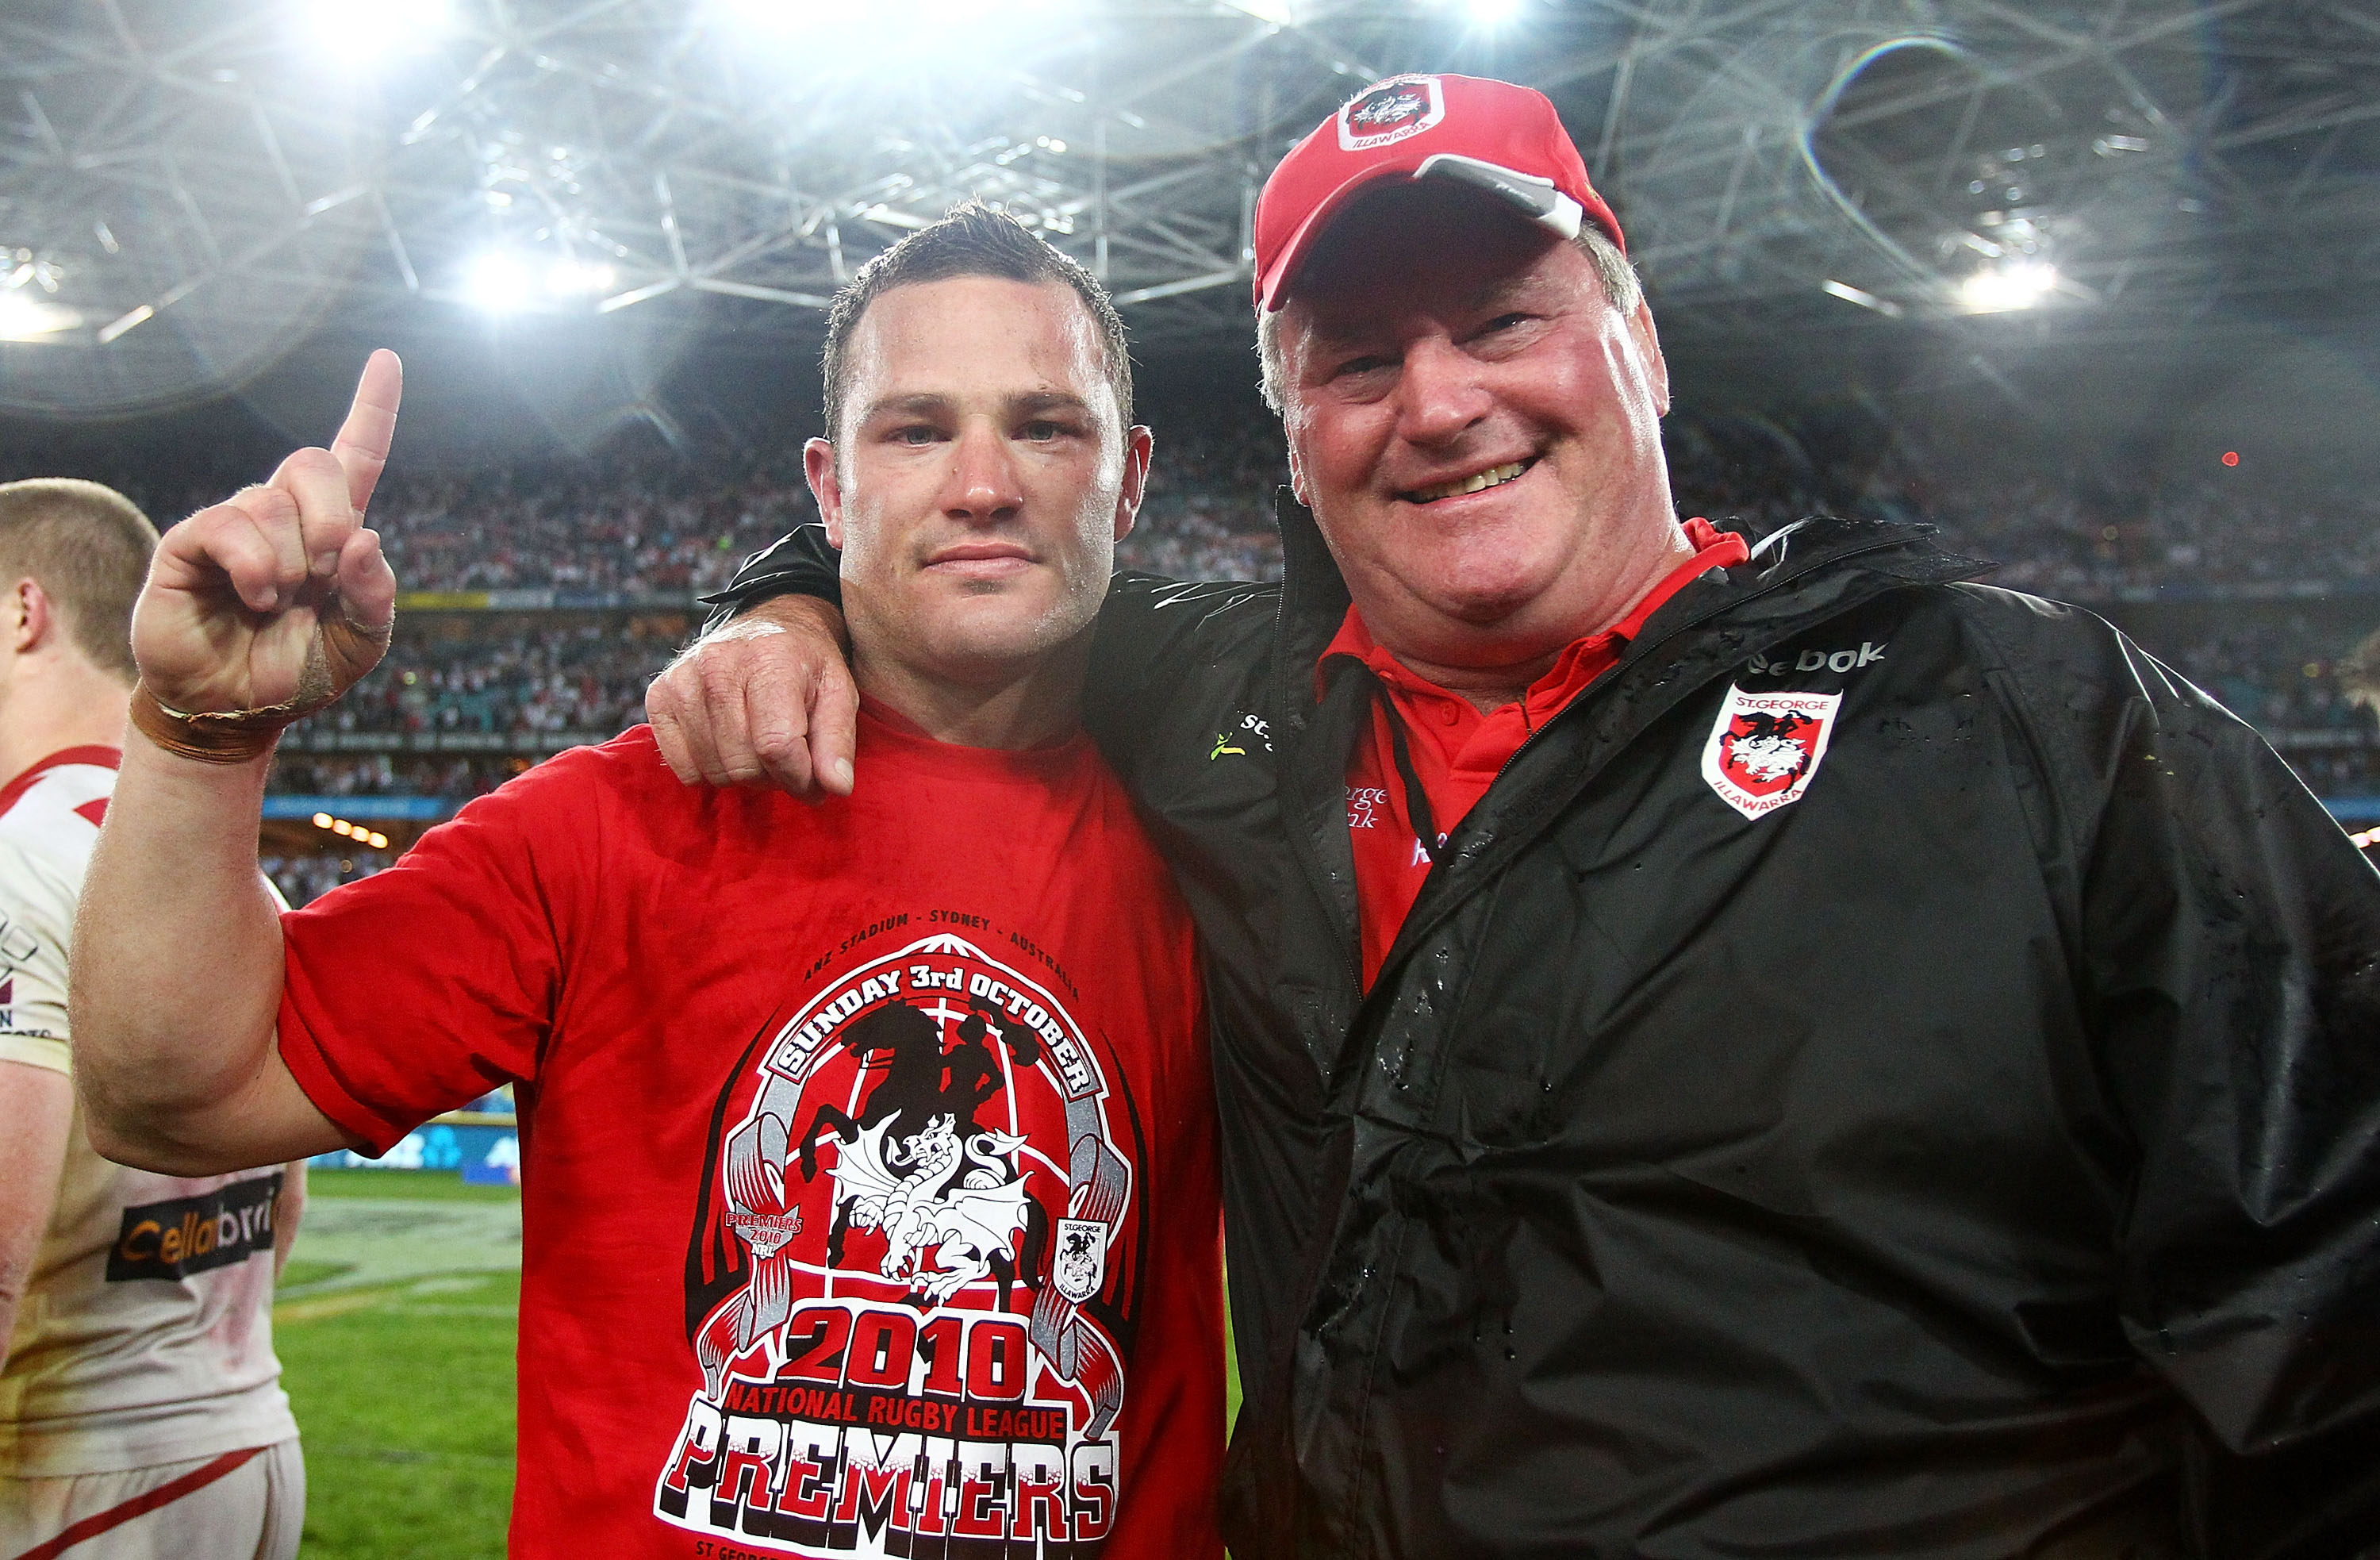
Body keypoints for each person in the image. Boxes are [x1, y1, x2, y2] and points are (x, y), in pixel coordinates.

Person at [652, 75, 2380, 1557]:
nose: (1439, 402)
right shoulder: (1218, 705)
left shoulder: (2022, 720)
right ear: (1292, 435)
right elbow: (959, 545)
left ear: (1643, 345)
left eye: (1501, 323)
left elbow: (2329, 1316)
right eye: (1358, 359)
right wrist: (778, 604)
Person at [70, 206, 1225, 1558]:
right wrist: (201, 731)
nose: (983, 483)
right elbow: (170, 1091)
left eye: (1046, 426)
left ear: (1130, 478)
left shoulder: (1244, 846)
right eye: (915, 430)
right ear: (829, 488)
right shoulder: (606, 826)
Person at [0, 479, 307, 1560]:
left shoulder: (16, 857)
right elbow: (285, 1191)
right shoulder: (236, 876)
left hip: (72, 1465)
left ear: (23, 611)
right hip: (243, 1431)